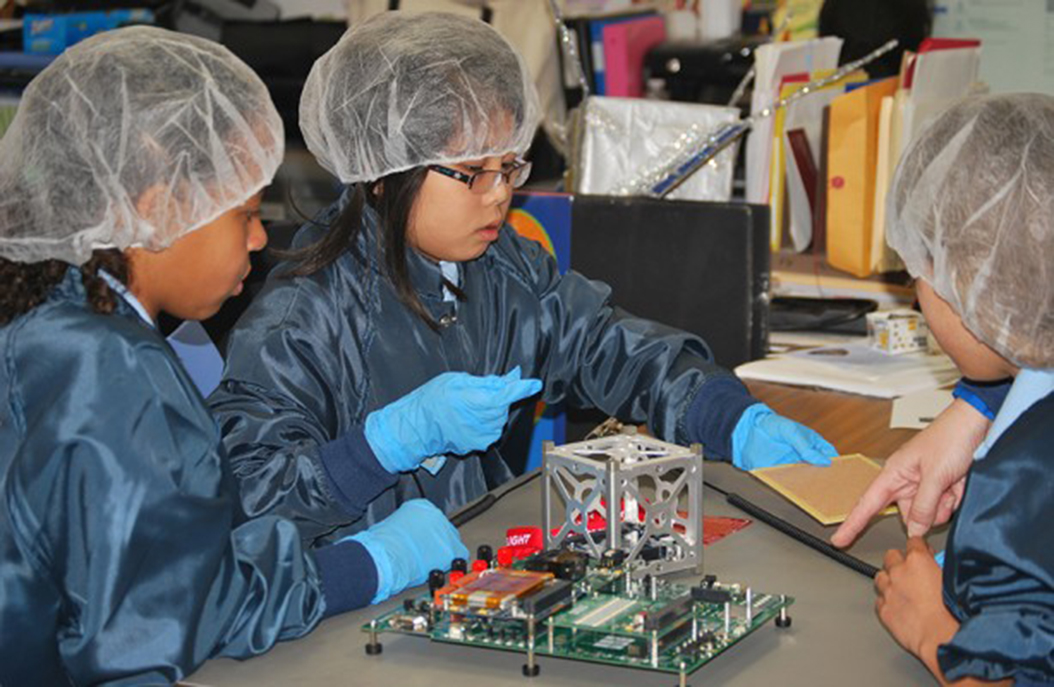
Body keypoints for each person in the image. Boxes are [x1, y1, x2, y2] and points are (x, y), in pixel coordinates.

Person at [209, 11, 837, 549]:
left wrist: (730, 418)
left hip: (472, 576)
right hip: (356, 610)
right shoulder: (304, 317)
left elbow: (609, 346)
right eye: (473, 172)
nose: (501, 195)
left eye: (509, 166)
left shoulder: (502, 267)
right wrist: (380, 448)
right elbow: (253, 498)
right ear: (383, 171)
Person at [0, 27, 464, 686]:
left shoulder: (51, 319)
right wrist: (365, 564)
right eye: (242, 211)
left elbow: (159, 541)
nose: (257, 238)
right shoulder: (116, 370)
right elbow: (169, 615)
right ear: (159, 212)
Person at [867, 93, 1054, 685]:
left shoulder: (1021, 489)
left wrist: (932, 629)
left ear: (969, 284)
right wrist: (978, 406)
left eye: (917, 273)